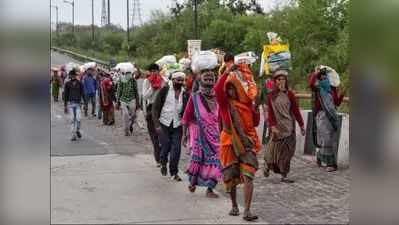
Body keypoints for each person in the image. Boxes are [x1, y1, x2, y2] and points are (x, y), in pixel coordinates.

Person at [214, 53, 260, 221]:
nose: (230, 90)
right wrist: (227, 72)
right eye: (229, 88)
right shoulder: (225, 104)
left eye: (234, 88)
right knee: (231, 177)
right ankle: (234, 205)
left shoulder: (246, 104)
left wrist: (255, 106)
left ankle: (247, 210)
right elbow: (218, 89)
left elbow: (255, 122)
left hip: (247, 142)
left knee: (249, 175)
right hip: (229, 142)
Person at [182, 68, 222, 198]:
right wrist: (184, 134)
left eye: (212, 79)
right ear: (201, 80)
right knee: (199, 161)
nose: (209, 81)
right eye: (206, 79)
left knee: (216, 161)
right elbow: (187, 117)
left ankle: (210, 188)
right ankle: (193, 182)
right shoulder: (194, 97)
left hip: (215, 135)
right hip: (198, 134)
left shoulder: (218, 97)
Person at [264, 70, 305, 182]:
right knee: (273, 151)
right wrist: (272, 126)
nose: (281, 81)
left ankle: (284, 175)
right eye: (278, 79)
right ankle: (267, 165)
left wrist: (301, 124)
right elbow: (271, 113)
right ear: (275, 81)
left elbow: (295, 110)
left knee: (288, 152)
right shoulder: (271, 96)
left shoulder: (290, 94)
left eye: (283, 79)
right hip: (277, 128)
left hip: (289, 128)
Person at [152, 71, 188, 181]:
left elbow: (186, 111)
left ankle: (174, 172)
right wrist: (157, 125)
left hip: (177, 125)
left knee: (176, 150)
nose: (180, 82)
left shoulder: (185, 94)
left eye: (182, 80)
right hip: (164, 123)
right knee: (165, 146)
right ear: (173, 80)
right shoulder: (165, 90)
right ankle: (163, 162)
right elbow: (155, 108)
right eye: (178, 80)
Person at [309, 67, 344, 172]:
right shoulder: (318, 87)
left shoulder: (332, 89)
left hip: (331, 116)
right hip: (321, 116)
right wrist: (316, 73)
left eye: (325, 75)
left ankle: (321, 157)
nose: (324, 77)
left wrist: (342, 94)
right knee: (326, 138)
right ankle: (331, 163)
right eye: (322, 75)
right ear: (319, 77)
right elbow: (311, 83)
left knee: (328, 139)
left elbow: (336, 103)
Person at [143, 64, 166, 166]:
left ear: (158, 71)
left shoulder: (163, 81)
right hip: (151, 108)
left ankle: (163, 155)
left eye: (155, 70)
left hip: (162, 108)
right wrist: (152, 87)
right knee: (154, 135)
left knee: (163, 134)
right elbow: (145, 96)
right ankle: (158, 158)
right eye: (151, 71)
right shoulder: (147, 81)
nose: (153, 73)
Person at [63, 69, 85, 141]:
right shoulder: (67, 84)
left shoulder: (80, 83)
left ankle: (77, 130)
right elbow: (66, 95)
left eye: (74, 75)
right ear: (70, 76)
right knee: (72, 119)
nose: (72, 76)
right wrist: (65, 106)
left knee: (78, 119)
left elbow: (83, 93)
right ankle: (73, 135)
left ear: (76, 76)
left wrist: (85, 103)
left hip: (78, 104)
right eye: (71, 75)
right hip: (71, 104)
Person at [117, 70, 140, 136]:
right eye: (127, 73)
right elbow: (119, 91)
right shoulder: (121, 80)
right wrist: (117, 102)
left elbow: (136, 91)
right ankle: (126, 130)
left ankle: (130, 125)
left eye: (129, 73)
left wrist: (138, 102)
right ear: (125, 73)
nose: (128, 74)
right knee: (125, 114)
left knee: (133, 115)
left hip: (132, 99)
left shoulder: (133, 81)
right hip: (123, 99)